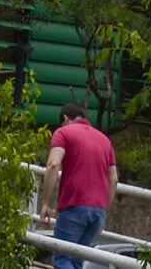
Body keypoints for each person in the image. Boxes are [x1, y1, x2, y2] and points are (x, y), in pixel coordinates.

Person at [40, 105, 119, 269]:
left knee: (62, 259)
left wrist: (45, 203)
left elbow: (53, 164)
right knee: (77, 261)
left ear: (65, 119)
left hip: (74, 205)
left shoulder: (63, 133)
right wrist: (104, 210)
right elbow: (114, 179)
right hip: (98, 210)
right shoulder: (105, 140)